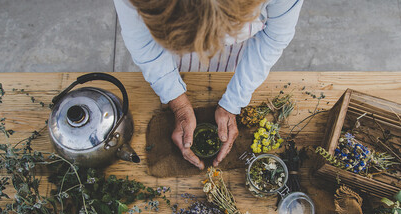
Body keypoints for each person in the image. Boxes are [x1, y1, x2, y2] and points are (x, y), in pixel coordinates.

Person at [113, 0, 303, 170]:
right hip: (174, 56)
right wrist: (177, 102)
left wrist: (233, 102)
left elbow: (274, 37)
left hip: (237, 52)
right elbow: (142, 43)